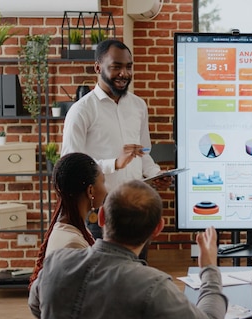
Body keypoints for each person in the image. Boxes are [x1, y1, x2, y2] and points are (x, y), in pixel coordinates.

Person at [28, 180, 227, 319]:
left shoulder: (55, 263)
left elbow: (37, 306)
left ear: (102, 217)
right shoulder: (152, 286)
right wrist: (209, 268)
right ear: (158, 228)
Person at [61, 39, 171, 242]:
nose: (124, 73)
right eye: (116, 67)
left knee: (137, 270)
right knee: (104, 273)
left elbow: (143, 152)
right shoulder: (81, 111)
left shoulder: (139, 106)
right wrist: (114, 164)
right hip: (101, 213)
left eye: (129, 67)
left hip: (138, 207)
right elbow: (70, 167)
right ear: (98, 67)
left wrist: (155, 174)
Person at [28, 152, 107, 287]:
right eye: (103, 182)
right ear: (90, 191)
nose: (106, 189)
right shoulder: (73, 243)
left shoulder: (70, 228)